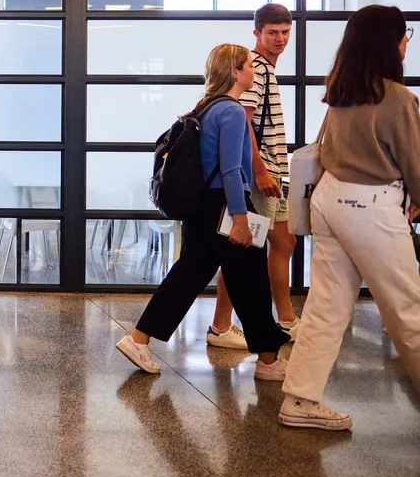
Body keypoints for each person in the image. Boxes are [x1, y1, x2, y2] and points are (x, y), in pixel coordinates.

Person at [279, 5, 420, 431]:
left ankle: (300, 400)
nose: (407, 39)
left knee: (326, 306)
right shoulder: (397, 98)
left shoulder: (340, 90)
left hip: (329, 201)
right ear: (392, 42)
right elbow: (414, 162)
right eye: (405, 32)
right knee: (407, 309)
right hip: (370, 208)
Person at [116, 43, 290, 379]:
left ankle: (139, 339)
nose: (253, 71)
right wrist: (240, 218)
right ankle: (268, 361)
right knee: (251, 280)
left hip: (204, 207)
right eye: (248, 67)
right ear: (236, 72)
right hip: (225, 207)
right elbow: (229, 170)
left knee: (193, 274)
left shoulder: (207, 107)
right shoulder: (233, 112)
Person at [207, 4, 301, 351]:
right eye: (272, 32)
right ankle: (284, 320)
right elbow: (242, 121)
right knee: (268, 244)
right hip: (262, 174)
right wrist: (259, 170)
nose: (280, 39)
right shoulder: (255, 68)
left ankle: (225, 324)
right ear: (257, 33)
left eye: (285, 32)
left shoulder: (263, 69)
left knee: (269, 245)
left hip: (270, 171)